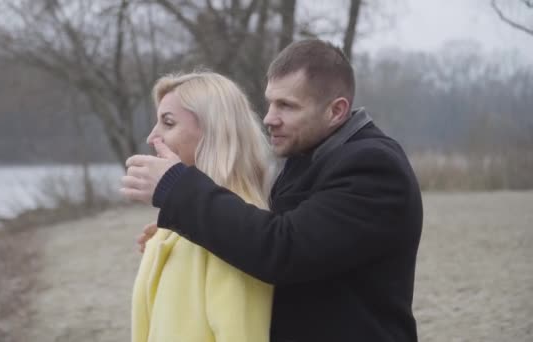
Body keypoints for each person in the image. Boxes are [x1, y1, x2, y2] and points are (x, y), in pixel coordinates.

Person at [123, 39, 423, 341]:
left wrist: (176, 189)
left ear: (336, 110)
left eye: (287, 106)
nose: (269, 118)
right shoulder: (308, 157)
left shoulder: (373, 167)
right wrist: (185, 230)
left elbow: (284, 248)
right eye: (270, 102)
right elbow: (264, 226)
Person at [128, 71, 275, 342]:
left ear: (214, 132)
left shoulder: (238, 231)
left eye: (168, 124)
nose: (152, 137)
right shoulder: (181, 225)